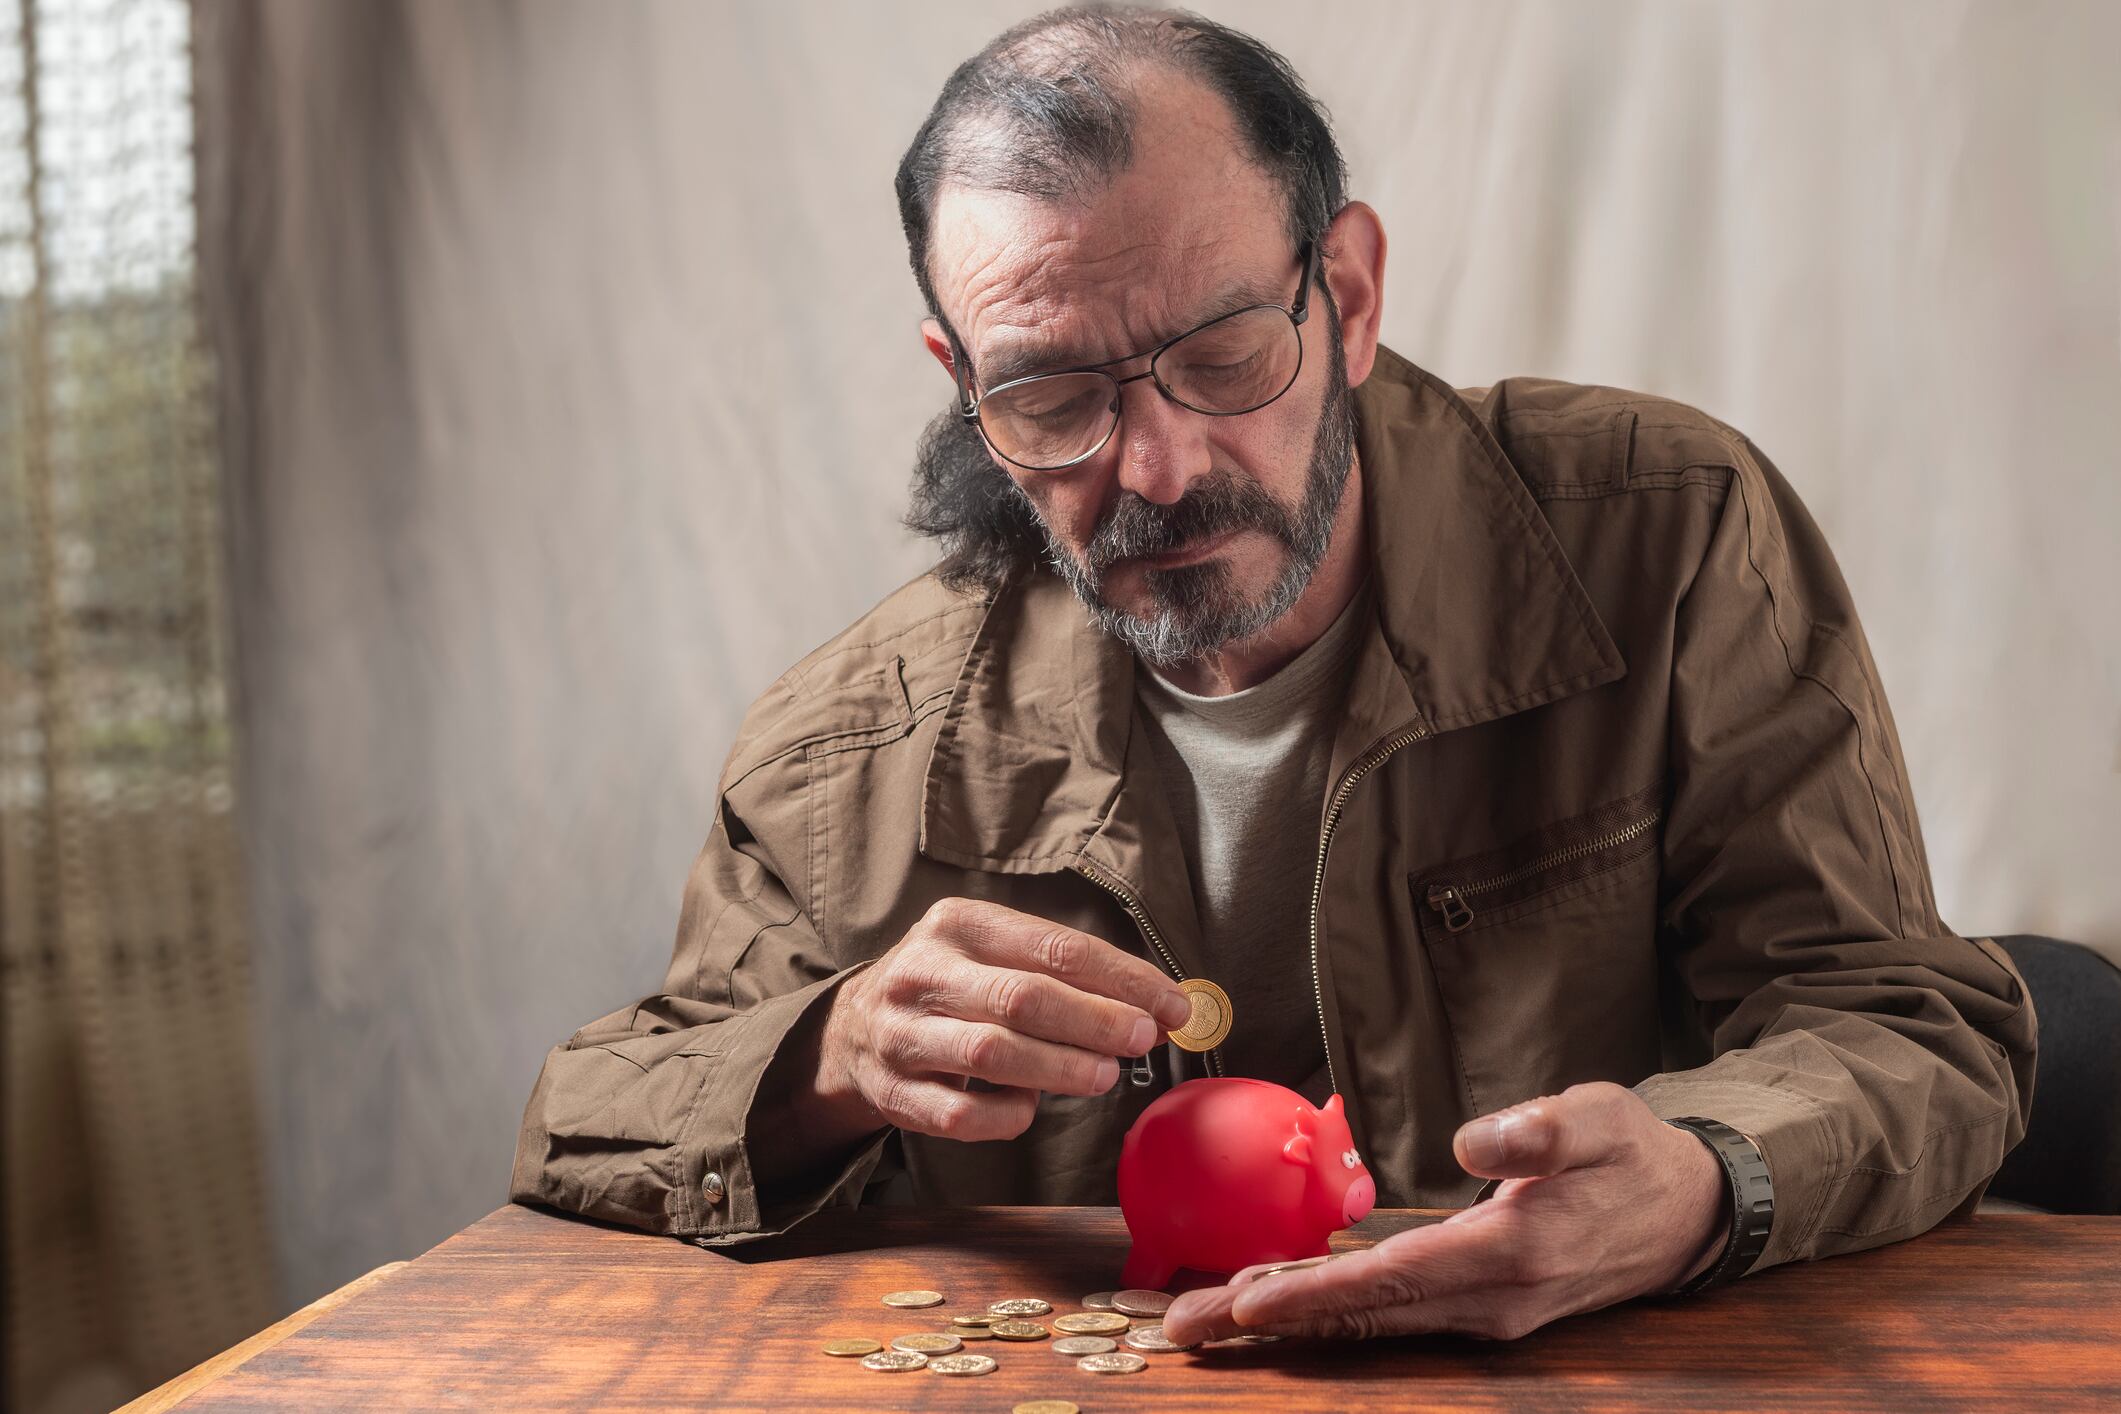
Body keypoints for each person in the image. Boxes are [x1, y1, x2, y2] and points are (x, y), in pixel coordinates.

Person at [512, 4, 2035, 1344]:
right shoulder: (842, 746)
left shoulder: (1665, 537)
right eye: (1051, 396)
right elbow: (588, 1117)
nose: (1156, 467)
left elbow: (1904, 1021)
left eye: (1225, 352)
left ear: (1350, 295)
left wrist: (1700, 1177)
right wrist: (828, 1055)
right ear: (965, 392)